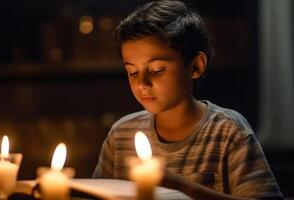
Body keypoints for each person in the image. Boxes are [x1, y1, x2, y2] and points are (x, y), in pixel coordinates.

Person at [93, 0, 283, 199]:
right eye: (132, 72)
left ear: (196, 67)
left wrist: (181, 188)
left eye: (157, 70)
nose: (142, 83)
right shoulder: (120, 135)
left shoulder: (227, 132)